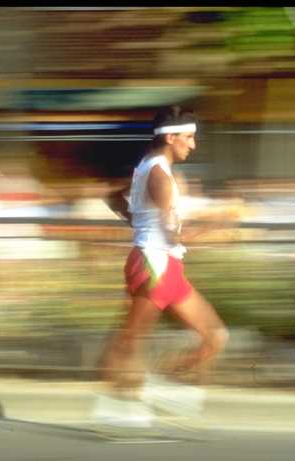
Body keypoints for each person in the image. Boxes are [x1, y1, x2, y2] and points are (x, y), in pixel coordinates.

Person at [93, 106, 229, 428]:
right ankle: (115, 402)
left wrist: (137, 221)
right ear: (171, 137)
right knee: (130, 339)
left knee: (216, 336)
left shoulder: (149, 167)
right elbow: (172, 233)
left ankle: (165, 386)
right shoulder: (159, 176)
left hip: (165, 265)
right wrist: (217, 226)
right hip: (154, 264)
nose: (193, 145)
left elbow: (113, 197)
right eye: (189, 138)